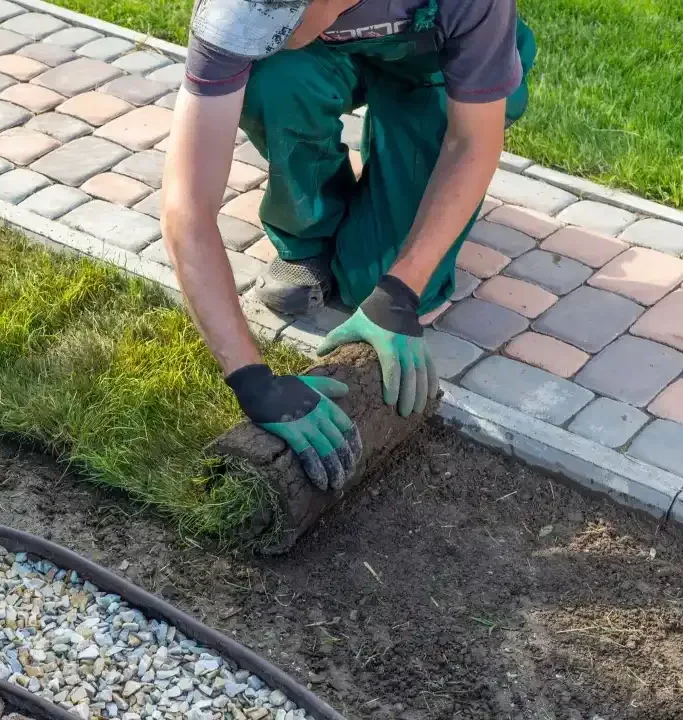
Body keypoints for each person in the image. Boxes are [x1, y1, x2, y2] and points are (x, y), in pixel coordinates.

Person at [162, 0, 535, 491]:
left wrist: (398, 293)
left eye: (280, 20)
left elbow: (472, 144)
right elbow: (186, 203)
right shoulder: (233, 11)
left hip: (433, 68)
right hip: (326, 57)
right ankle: (309, 237)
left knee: (375, 282)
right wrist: (250, 378)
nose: (261, 33)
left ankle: (394, 176)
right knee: (271, 77)